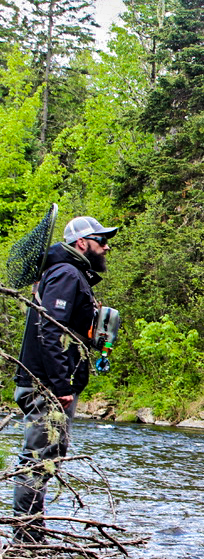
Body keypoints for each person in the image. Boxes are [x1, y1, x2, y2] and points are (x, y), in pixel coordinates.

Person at [12, 215, 118, 541]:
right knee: (38, 460)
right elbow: (49, 329)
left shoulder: (69, 273)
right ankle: (26, 539)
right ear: (82, 243)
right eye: (101, 240)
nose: (107, 246)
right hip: (46, 386)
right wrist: (61, 386)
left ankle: (32, 533)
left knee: (47, 457)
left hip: (48, 384)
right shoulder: (66, 274)